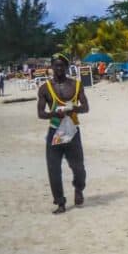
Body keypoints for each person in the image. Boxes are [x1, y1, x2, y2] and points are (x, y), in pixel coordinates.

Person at [37, 54, 89, 214]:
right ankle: (60, 202)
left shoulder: (76, 85)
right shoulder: (45, 88)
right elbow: (40, 113)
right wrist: (53, 114)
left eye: (62, 66)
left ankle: (79, 188)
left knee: (78, 167)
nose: (59, 69)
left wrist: (73, 109)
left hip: (72, 131)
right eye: (56, 65)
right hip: (55, 132)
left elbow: (85, 107)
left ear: (66, 67)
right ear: (51, 67)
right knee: (53, 169)